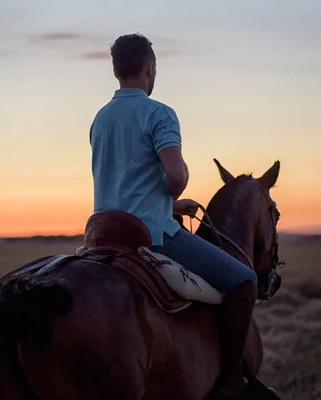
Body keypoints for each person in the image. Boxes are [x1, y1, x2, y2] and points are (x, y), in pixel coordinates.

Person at [89, 33, 258, 399]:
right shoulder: (158, 113)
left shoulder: (100, 119)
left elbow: (125, 183)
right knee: (243, 281)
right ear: (150, 68)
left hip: (103, 234)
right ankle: (231, 383)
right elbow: (176, 175)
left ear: (117, 71)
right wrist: (173, 194)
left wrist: (165, 203)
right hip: (152, 235)